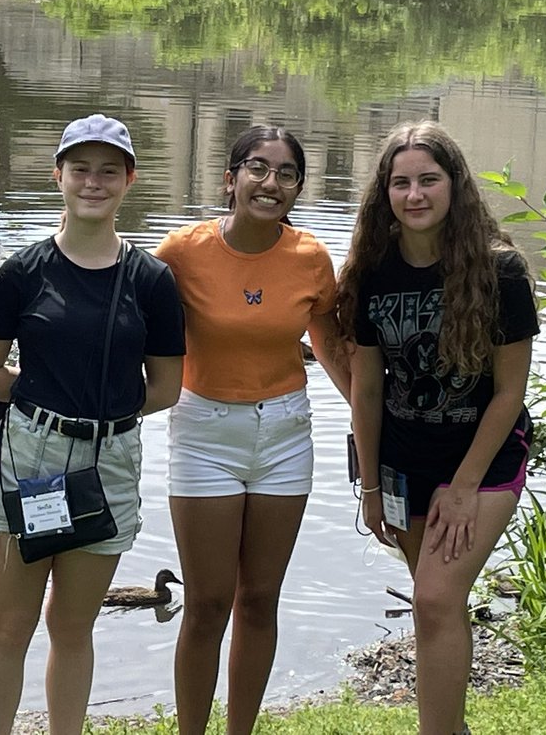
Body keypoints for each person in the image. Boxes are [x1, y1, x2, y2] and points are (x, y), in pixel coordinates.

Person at [0, 113, 186, 735]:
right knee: (10, 624)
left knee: (73, 626)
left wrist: (99, 414)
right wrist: (47, 402)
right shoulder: (24, 272)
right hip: (27, 457)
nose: (94, 182)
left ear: (129, 181)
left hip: (110, 461)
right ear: (57, 175)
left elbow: (165, 389)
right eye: (81, 169)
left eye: (108, 171)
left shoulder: (152, 280)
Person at [336, 120, 538, 735]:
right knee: (435, 605)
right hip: (404, 464)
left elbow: (509, 395)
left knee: (433, 598)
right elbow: (367, 390)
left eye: (429, 179)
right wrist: (370, 487)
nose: (415, 194)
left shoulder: (499, 272)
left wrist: (461, 486)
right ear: (385, 194)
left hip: (484, 461)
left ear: (455, 186)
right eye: (401, 183)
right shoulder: (372, 274)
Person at [154, 125, 351, 735]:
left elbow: (335, 352)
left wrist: (374, 432)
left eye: (286, 173)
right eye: (258, 169)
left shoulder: (311, 258)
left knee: (259, 599)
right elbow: (128, 326)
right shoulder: (181, 252)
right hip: (205, 431)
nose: (271, 183)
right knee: (208, 602)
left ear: (298, 187)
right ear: (230, 178)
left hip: (286, 434)